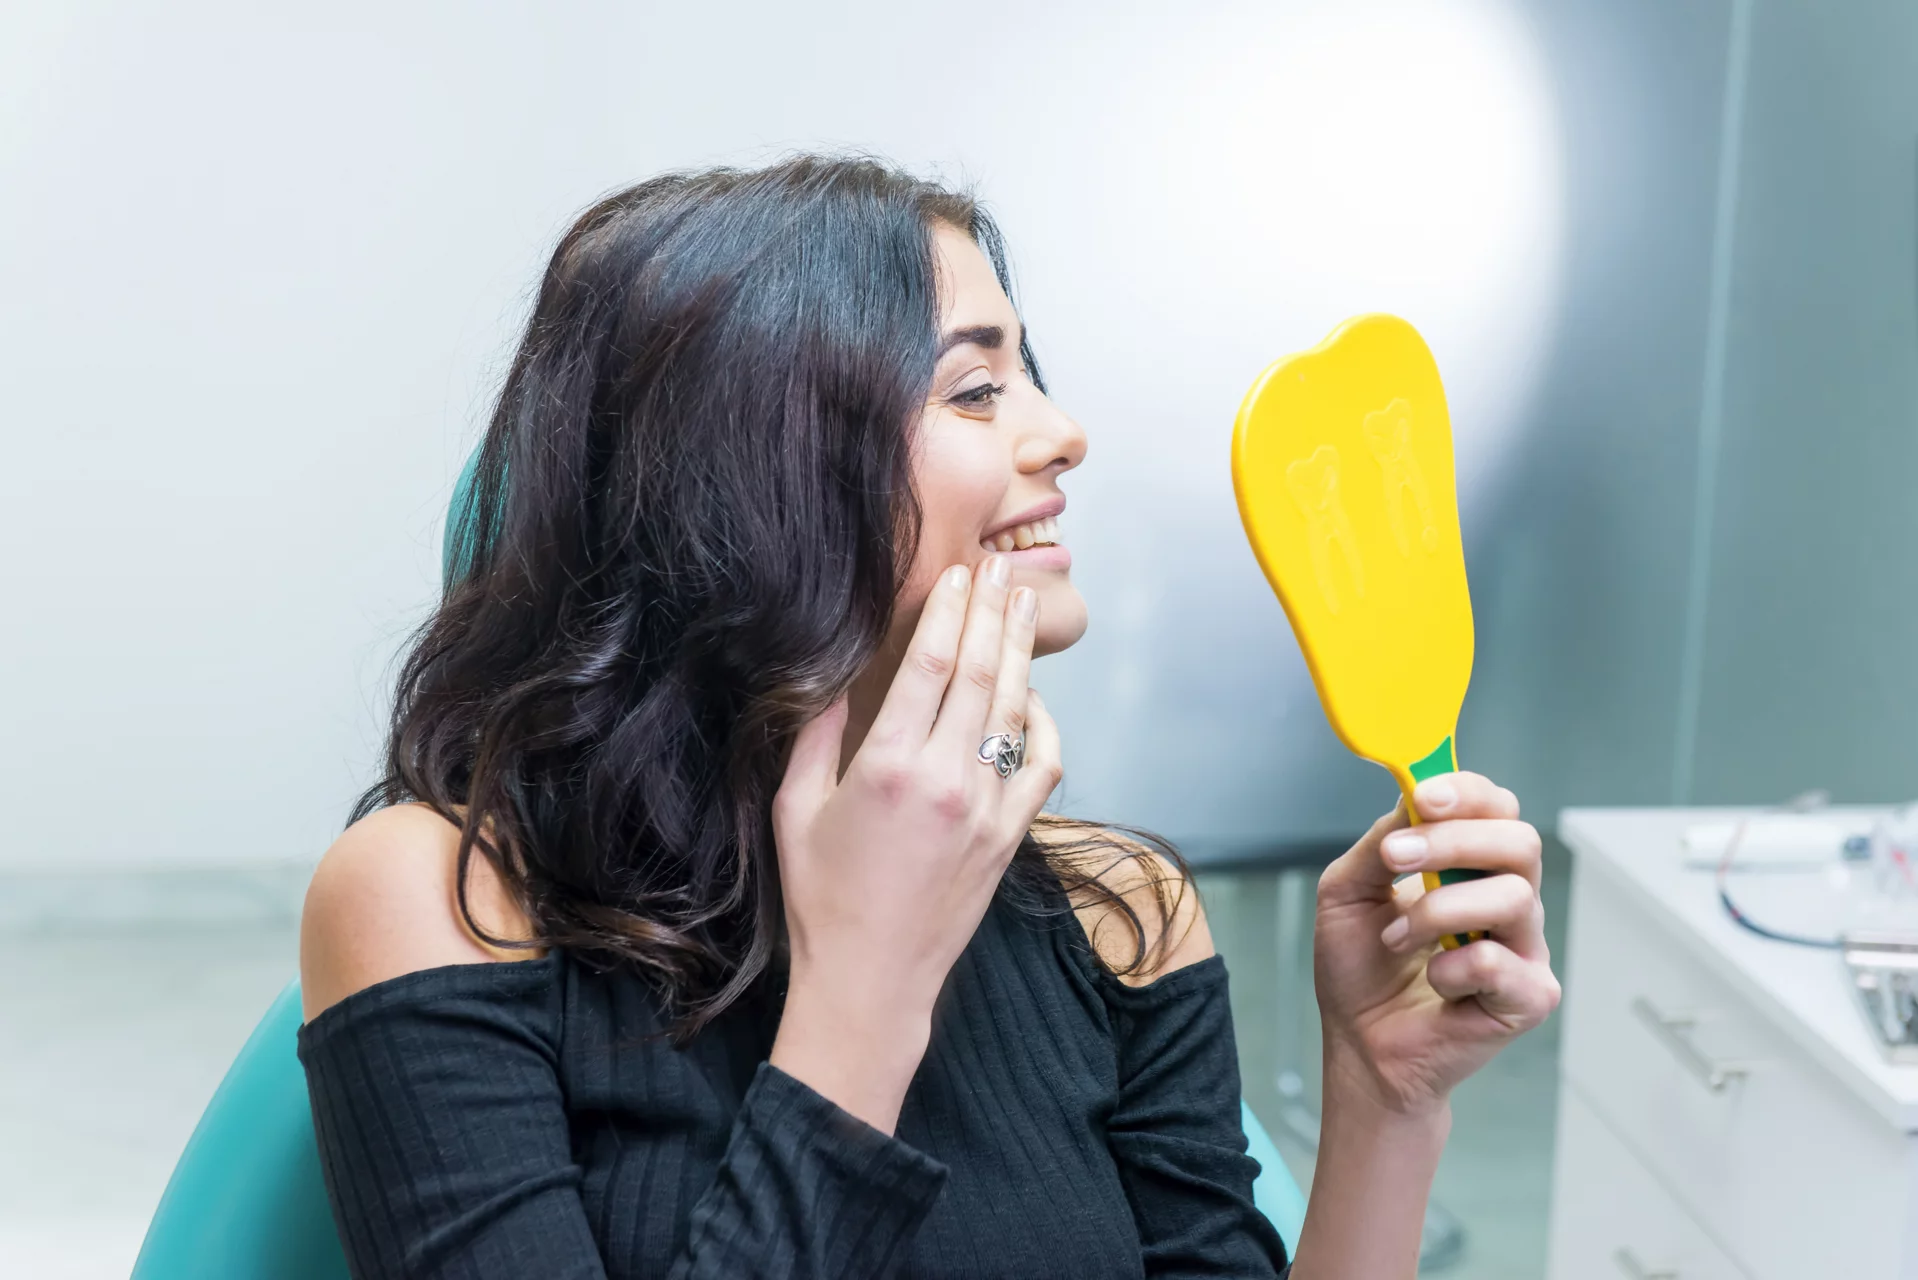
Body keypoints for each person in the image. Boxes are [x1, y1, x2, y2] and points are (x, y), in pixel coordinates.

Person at [297, 155, 1560, 1280]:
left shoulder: (1119, 910)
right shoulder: (446, 899)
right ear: (751, 471)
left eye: (1029, 376)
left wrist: (1386, 1097)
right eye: (973, 389)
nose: (1061, 433)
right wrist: (867, 984)